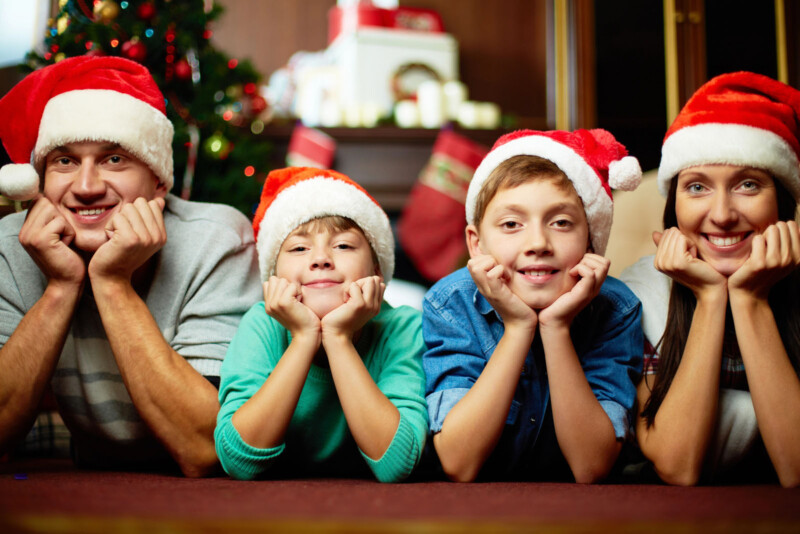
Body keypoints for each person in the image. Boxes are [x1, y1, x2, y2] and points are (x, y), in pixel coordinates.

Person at [0, 56, 261, 476]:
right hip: (86, 488)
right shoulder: (13, 247)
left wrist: (112, 283)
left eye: (114, 159)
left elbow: (205, 447)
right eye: (64, 161)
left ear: (158, 180)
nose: (86, 188)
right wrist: (61, 287)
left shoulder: (217, 239)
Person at [423, 129, 644, 483]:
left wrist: (555, 328)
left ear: (591, 240)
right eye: (512, 224)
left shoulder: (616, 310)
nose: (538, 243)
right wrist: (518, 327)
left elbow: (592, 466)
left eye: (561, 223)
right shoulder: (450, 304)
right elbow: (458, 461)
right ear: (476, 245)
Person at [620, 72, 800, 488]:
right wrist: (709, 298)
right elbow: (677, 465)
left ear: (783, 204)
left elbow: (796, 470)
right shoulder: (636, 298)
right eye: (697, 186)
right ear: (674, 206)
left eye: (748, 185)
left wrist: (751, 299)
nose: (721, 214)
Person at [214, 167, 428, 482]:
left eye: (343, 246)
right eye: (299, 248)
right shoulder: (262, 324)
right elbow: (238, 460)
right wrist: (303, 338)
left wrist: (338, 338)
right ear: (273, 278)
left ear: (377, 272)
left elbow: (397, 465)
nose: (321, 259)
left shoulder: (402, 328)